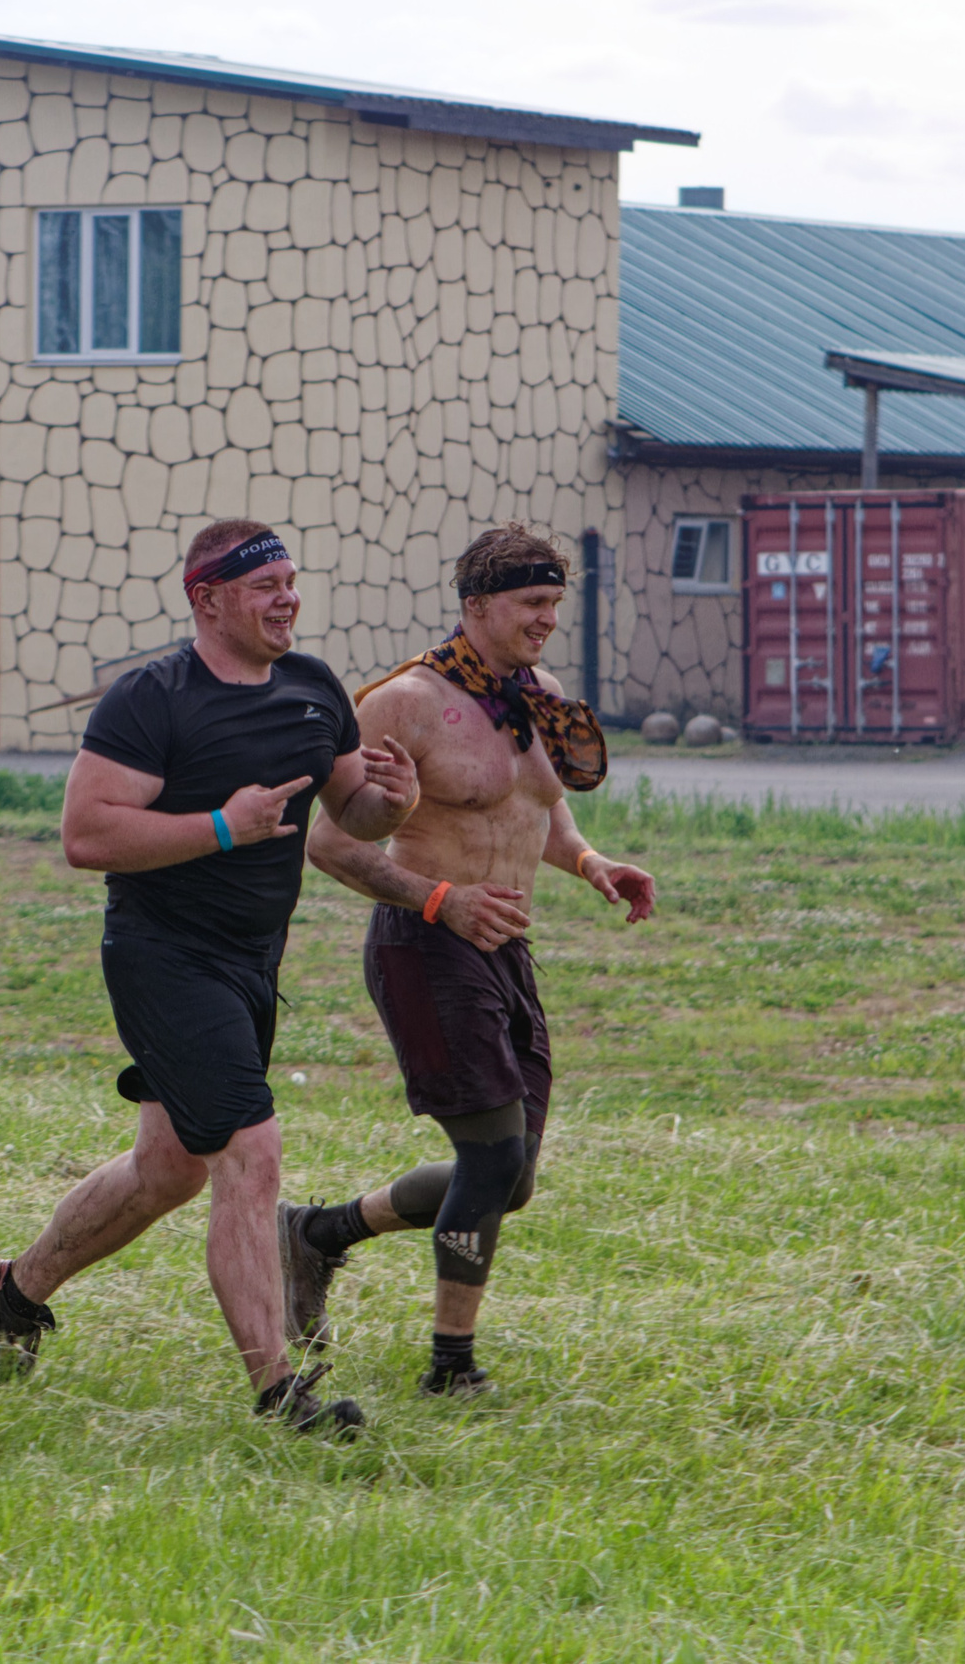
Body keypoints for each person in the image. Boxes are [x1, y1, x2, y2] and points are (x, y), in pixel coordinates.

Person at [0, 520, 418, 1436]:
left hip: (253, 962)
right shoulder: (150, 699)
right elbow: (87, 835)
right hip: (163, 957)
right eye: (265, 586)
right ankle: (282, 1396)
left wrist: (390, 805)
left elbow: (350, 809)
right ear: (207, 599)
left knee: (166, 1168)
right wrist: (218, 828)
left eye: (292, 580)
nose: (288, 597)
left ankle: (7, 1292)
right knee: (251, 1154)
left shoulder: (314, 686)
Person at [286, 526, 656, 1398]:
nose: (548, 620)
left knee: (511, 1177)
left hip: (506, 949)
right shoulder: (403, 704)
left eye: (555, 603)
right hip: (426, 945)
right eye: (532, 604)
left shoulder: (537, 694)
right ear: (478, 605)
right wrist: (438, 899)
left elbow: (543, 812)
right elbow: (330, 846)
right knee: (491, 1160)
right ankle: (451, 1366)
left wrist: (592, 862)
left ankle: (317, 1232)